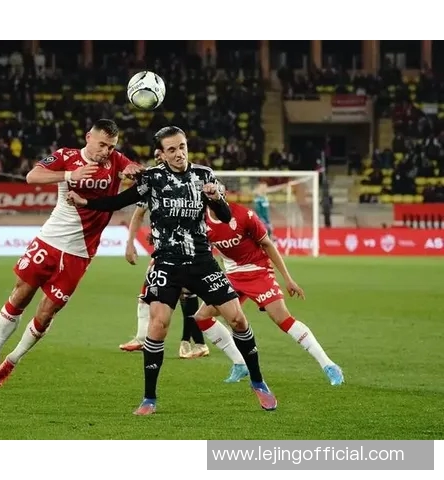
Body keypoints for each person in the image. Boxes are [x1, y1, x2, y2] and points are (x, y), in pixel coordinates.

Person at [67, 126, 277, 415]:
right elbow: (119, 202)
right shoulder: (152, 178)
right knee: (158, 325)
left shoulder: (204, 175)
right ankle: (149, 399)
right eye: (172, 150)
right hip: (166, 262)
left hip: (202, 261)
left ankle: (258, 381)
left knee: (238, 319)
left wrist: (216, 199)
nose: (179, 154)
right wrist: (86, 202)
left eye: (182, 147)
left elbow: (226, 216)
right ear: (161, 154)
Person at [0, 119, 144, 392]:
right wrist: (69, 176)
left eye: (111, 146)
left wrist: (134, 169)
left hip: (80, 253)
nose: (106, 151)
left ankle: (11, 362)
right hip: (49, 241)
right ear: (88, 138)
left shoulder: (116, 160)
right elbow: (32, 176)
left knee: (47, 312)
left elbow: (131, 168)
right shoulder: (67, 156)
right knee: (20, 295)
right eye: (102, 145)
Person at [197, 201, 344, 386]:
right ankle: (240, 363)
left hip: (258, 271)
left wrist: (288, 279)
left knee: (283, 319)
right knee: (202, 317)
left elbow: (267, 244)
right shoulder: (201, 220)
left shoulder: (243, 215)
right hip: (232, 276)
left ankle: (329, 365)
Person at [121, 201, 209, 359]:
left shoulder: (190, 193)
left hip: (188, 252)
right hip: (164, 252)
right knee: (148, 293)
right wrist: (132, 242)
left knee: (187, 295)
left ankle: (192, 342)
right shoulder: (152, 190)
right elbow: (139, 213)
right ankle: (143, 338)